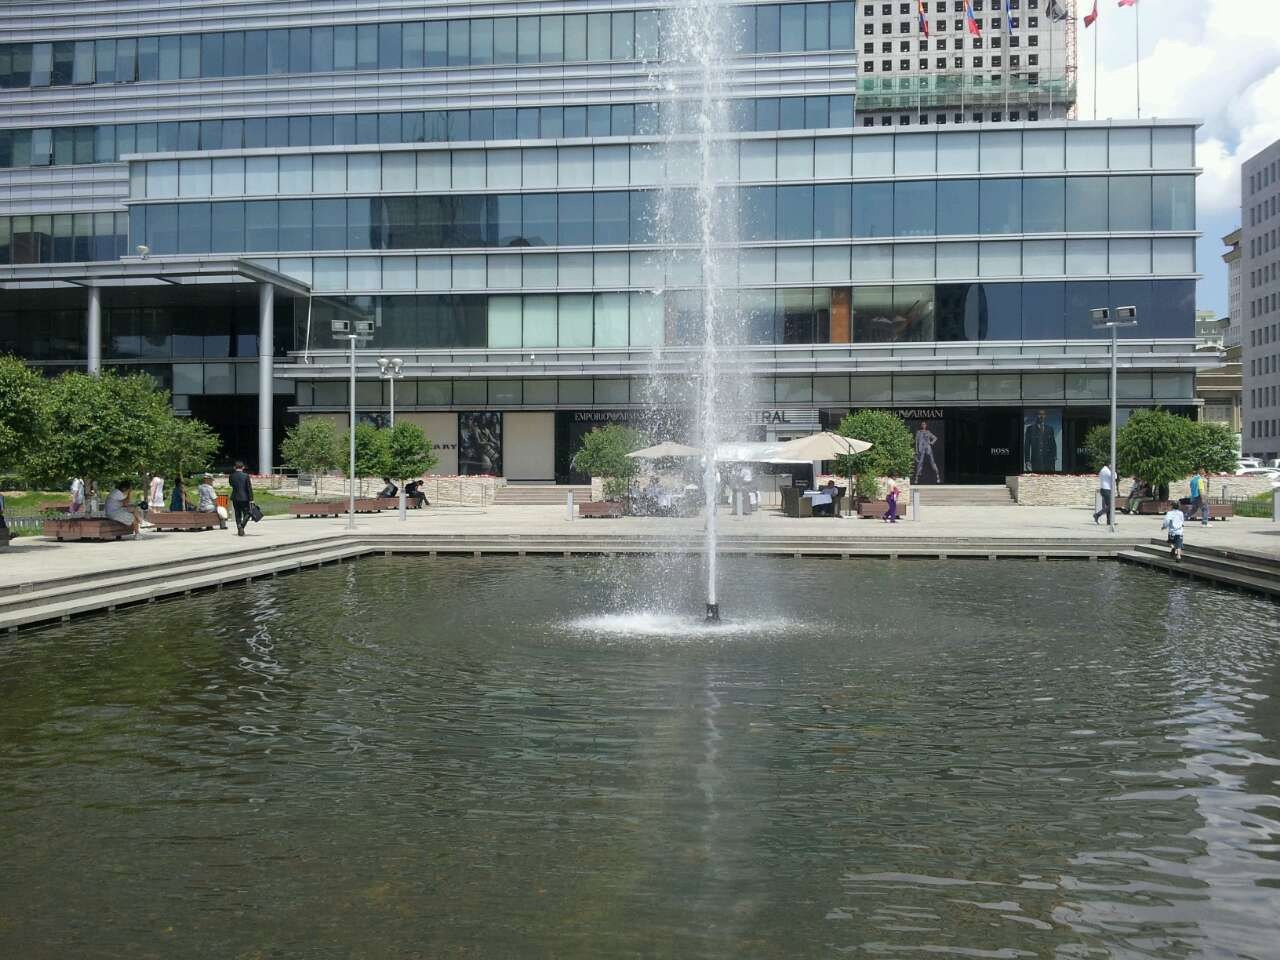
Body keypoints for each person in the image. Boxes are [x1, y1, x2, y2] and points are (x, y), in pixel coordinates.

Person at [229, 461, 254, 536]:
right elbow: (249, 488)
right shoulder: (246, 476)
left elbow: (231, 484)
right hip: (245, 498)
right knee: (248, 513)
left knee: (237, 513)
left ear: (235, 467)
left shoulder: (231, 476)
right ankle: (241, 526)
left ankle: (239, 527)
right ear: (243, 467)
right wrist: (251, 499)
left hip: (235, 497)